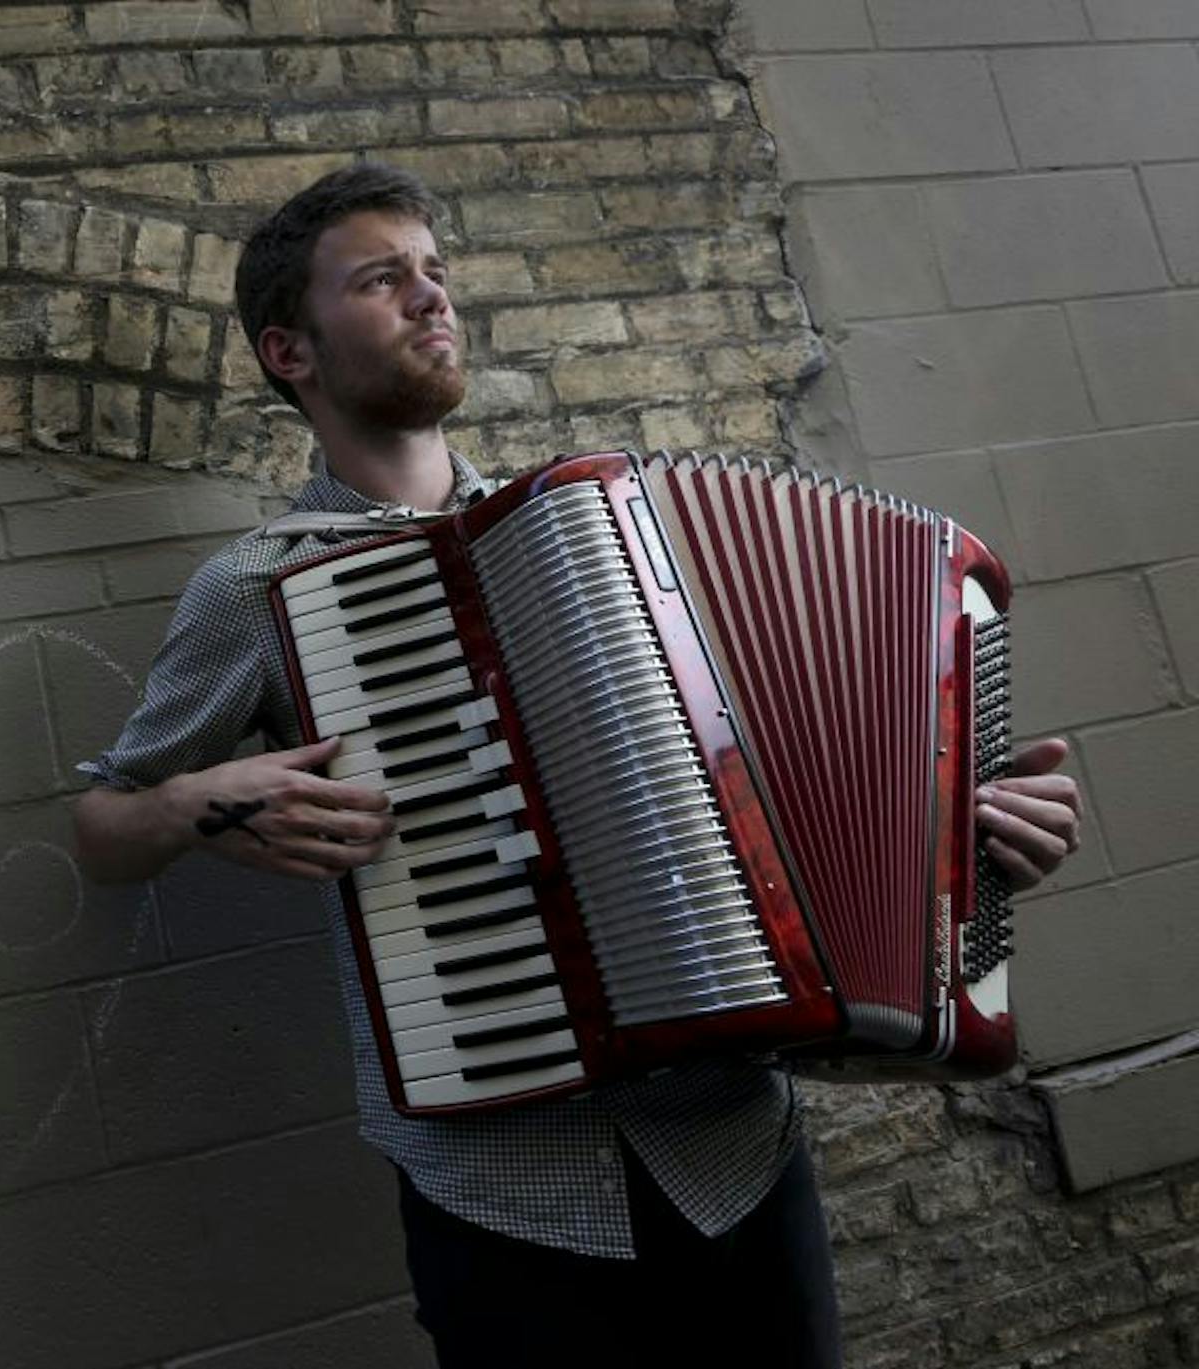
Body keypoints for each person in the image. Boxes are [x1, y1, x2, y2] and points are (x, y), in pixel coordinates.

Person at [70, 163, 1083, 1368]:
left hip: (732, 1155)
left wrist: (961, 837)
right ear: (289, 351)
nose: (430, 298)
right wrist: (189, 804)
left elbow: (781, 769)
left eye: (435, 273)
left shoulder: (610, 543)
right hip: (502, 1192)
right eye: (383, 279)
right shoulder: (259, 591)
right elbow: (102, 825)